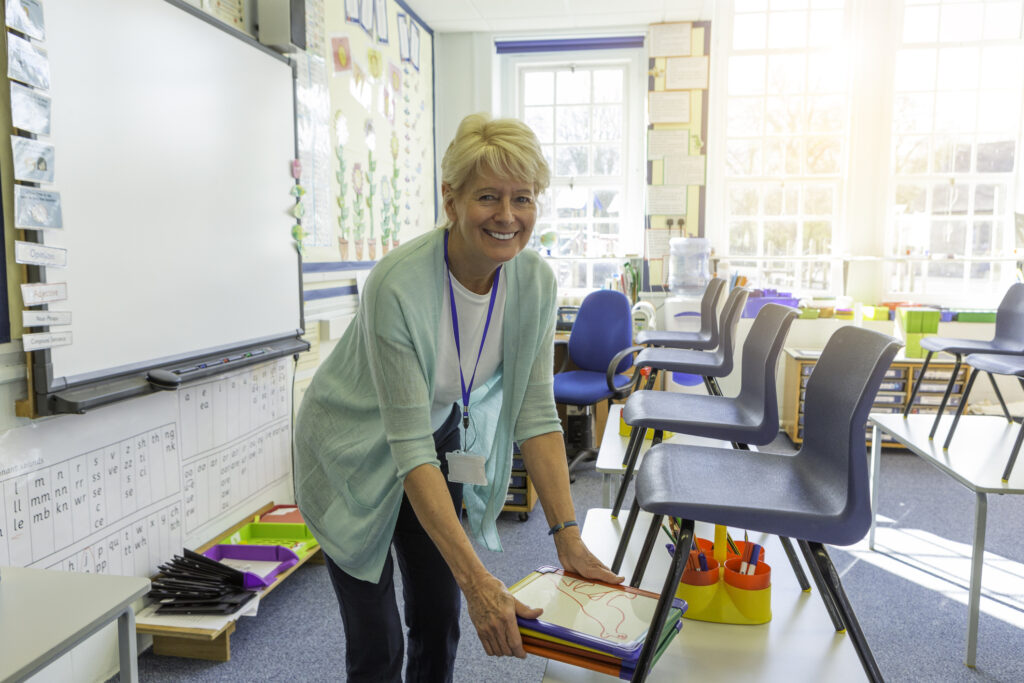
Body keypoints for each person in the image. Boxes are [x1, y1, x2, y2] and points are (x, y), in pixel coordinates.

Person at [294, 112, 622, 681]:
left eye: (523, 198)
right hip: (349, 447)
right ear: (451, 200)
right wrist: (482, 583)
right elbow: (407, 447)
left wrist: (567, 538)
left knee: (439, 615)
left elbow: (536, 414)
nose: (507, 216)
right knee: (378, 641)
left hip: (430, 434)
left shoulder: (534, 283)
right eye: (488, 196)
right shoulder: (397, 286)